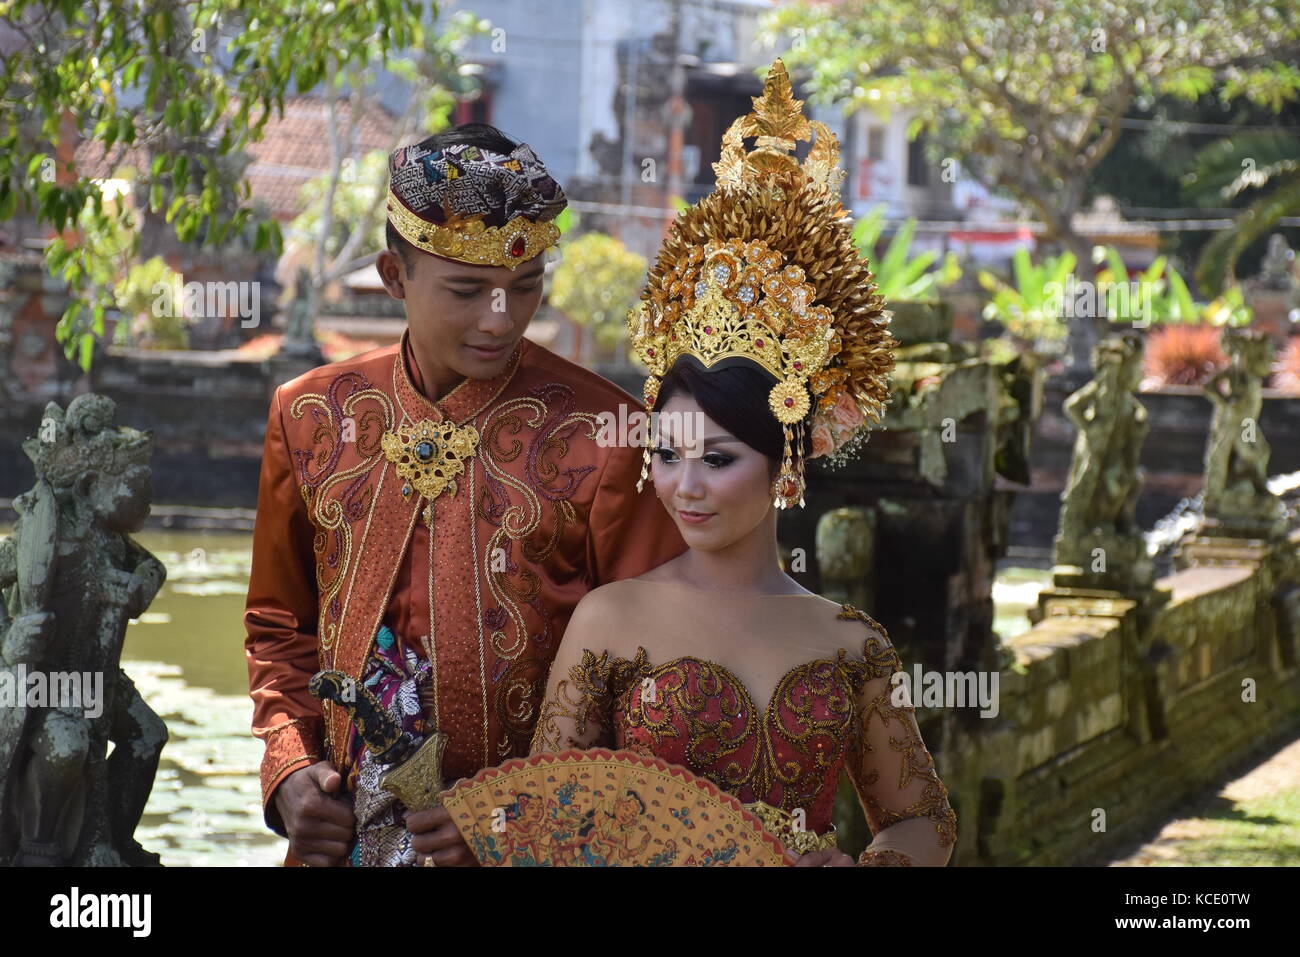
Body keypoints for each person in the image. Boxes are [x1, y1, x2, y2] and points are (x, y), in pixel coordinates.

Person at [527, 60, 957, 866]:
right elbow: (548, 823)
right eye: (666, 453)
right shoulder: (609, 622)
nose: (683, 484)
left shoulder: (849, 643)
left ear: (784, 462)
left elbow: (922, 817)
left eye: (717, 458)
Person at [244, 122, 686, 866]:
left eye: (525, 286)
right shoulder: (311, 415)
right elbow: (278, 625)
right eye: (466, 289)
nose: (500, 318)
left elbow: (656, 682)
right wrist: (288, 768)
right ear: (394, 276)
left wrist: (528, 820)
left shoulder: (609, 435)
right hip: (340, 840)